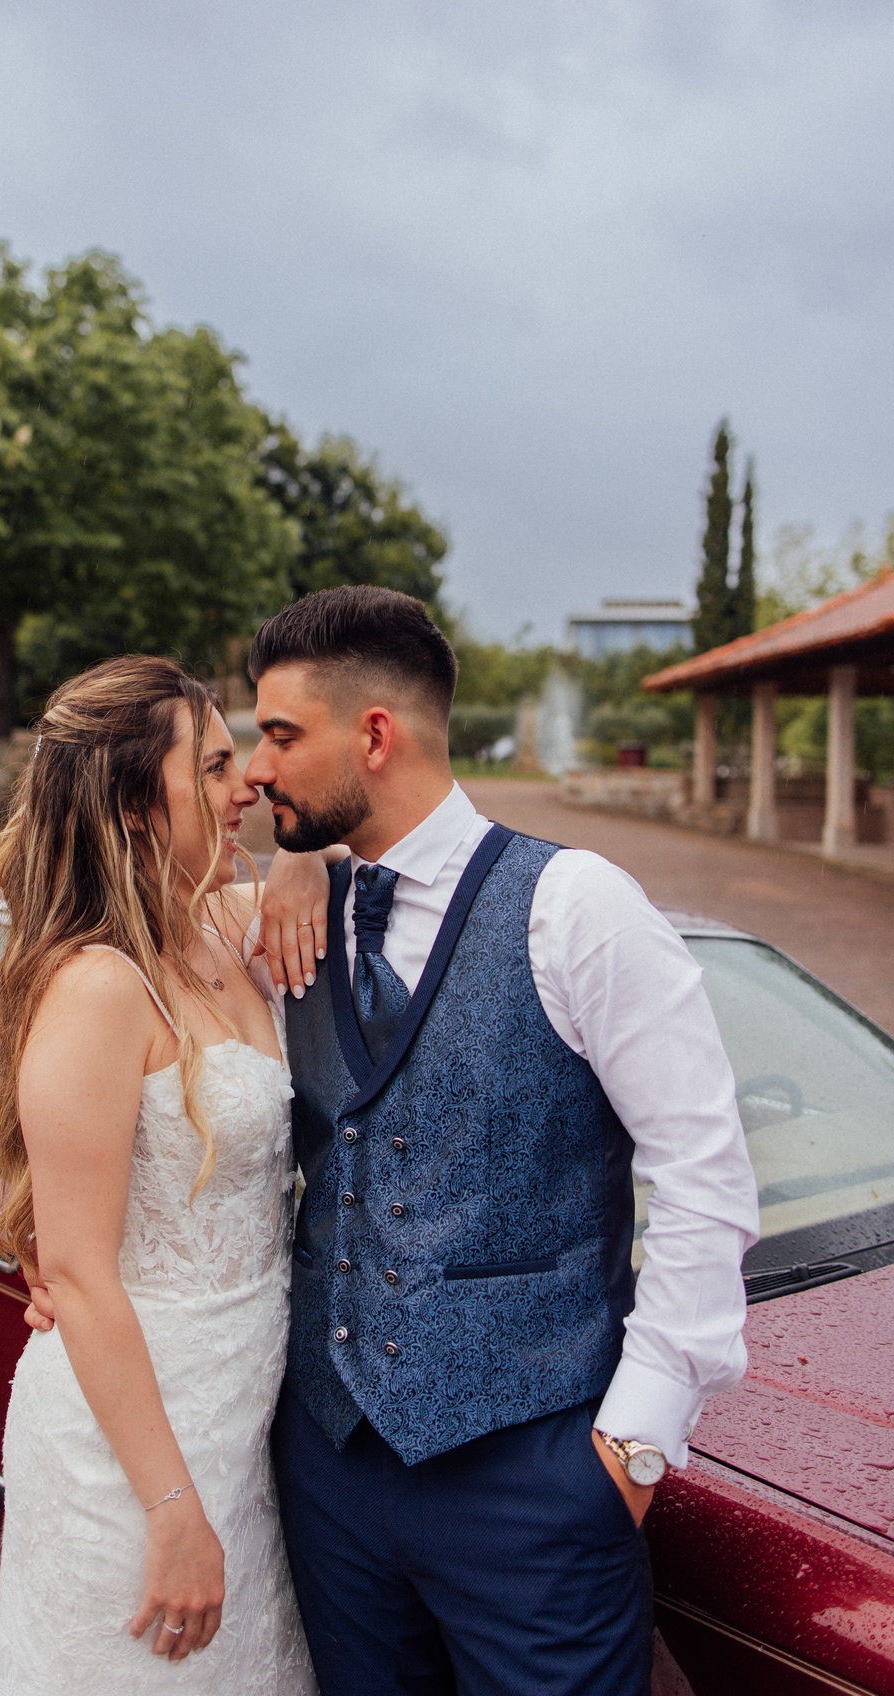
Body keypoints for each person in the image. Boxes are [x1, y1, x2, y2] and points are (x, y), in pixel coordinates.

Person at [239, 586, 760, 1696]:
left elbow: (706, 1176)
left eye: (280, 736)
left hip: (533, 1482)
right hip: (328, 1469)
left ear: (373, 734)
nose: (255, 769)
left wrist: (633, 1447)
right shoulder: (299, 911)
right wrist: (299, 857)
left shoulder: (578, 907)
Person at [0, 655, 317, 1695]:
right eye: (215, 767)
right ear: (134, 805)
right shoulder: (95, 987)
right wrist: (171, 1511)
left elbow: (371, 856)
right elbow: (78, 1273)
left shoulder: (217, 928)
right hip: (134, 1449)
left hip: (242, 1418)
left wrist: (311, 858)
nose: (246, 784)